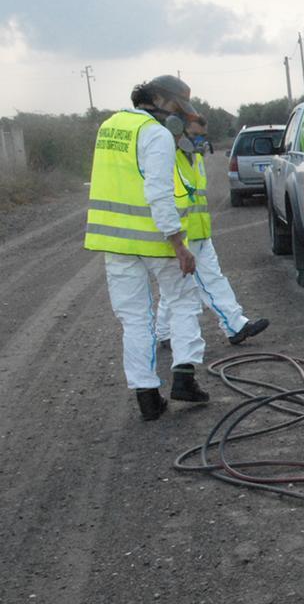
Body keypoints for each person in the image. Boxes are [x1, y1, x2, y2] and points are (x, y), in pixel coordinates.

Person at [84, 75, 212, 420]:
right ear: (157, 98)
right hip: (157, 241)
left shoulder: (109, 126)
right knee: (183, 303)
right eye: (176, 106)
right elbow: (158, 192)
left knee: (135, 321)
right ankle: (184, 378)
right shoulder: (156, 134)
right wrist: (178, 243)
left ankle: (147, 398)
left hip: (117, 244)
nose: (179, 115)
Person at [154, 113, 269, 348]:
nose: (199, 141)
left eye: (202, 137)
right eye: (195, 135)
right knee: (208, 281)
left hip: (198, 232)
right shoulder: (167, 157)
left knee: (175, 286)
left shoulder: (193, 158)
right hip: (183, 234)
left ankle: (164, 333)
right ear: (179, 131)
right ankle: (235, 326)